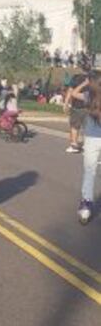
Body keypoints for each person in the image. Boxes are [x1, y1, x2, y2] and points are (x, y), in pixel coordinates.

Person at [68, 75, 100, 224]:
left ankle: (86, 204)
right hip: (93, 138)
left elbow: (73, 94)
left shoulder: (90, 96)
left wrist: (84, 83)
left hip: (92, 138)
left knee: (90, 171)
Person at [64, 74, 89, 154]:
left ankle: (74, 145)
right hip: (89, 106)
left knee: (75, 126)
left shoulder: (76, 77)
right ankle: (87, 146)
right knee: (87, 128)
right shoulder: (94, 77)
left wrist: (66, 102)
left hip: (77, 106)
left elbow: (71, 91)